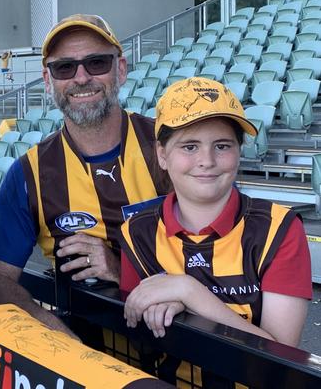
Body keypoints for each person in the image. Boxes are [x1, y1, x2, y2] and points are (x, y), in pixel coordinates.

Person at [0, 14, 171, 337]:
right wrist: (55, 333)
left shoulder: (169, 148)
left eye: (96, 63)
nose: (81, 78)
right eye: (64, 67)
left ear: (120, 70)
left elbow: (221, 257)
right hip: (86, 364)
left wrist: (121, 269)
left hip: (184, 357)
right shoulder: (29, 173)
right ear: (48, 80)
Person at [121, 77, 311, 348]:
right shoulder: (136, 232)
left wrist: (189, 293)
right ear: (162, 155)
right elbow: (131, 335)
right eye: (190, 146)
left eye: (222, 146)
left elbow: (280, 357)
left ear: (239, 151)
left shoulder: (279, 230)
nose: (207, 161)